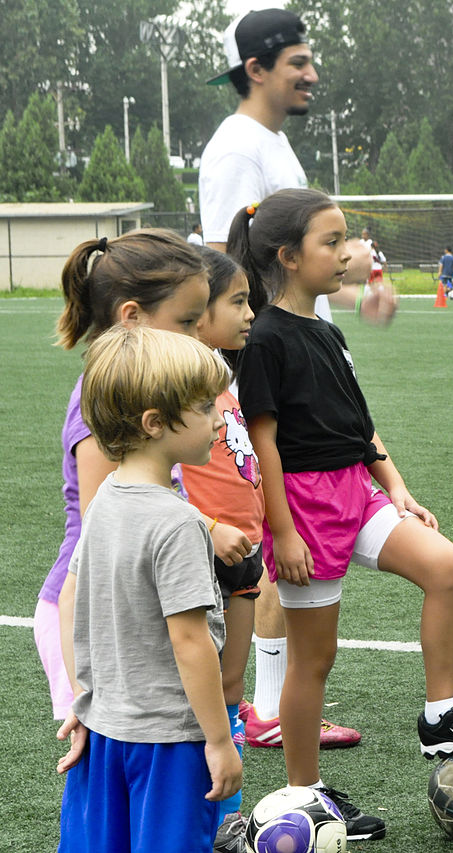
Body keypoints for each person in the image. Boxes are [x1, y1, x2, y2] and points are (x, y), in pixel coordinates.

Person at [230, 188, 453, 841]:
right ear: (287, 255)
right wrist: (280, 530)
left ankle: (441, 714)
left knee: (445, 565)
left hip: (357, 491)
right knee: (317, 659)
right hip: (303, 506)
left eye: (346, 240)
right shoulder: (265, 338)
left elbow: (361, 426)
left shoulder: (328, 331)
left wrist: (397, 486)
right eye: (331, 242)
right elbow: (265, 444)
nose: (348, 253)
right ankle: (304, 794)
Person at [199, 7, 383, 750]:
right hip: (264, 373)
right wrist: (256, 365)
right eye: (299, 62)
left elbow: (287, 269)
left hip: (302, 362)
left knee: (285, 547)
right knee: (273, 538)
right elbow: (223, 268)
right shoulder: (237, 148)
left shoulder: (269, 144)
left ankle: (268, 707)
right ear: (258, 70)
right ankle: (252, 707)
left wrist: (348, 280)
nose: (311, 75)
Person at [56, 325, 241, 852]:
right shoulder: (179, 523)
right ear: (155, 424)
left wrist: (84, 699)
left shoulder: (104, 502)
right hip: (169, 742)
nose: (220, 418)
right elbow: (189, 642)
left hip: (104, 732)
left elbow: (72, 601)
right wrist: (219, 740)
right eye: (206, 407)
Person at [37, 231, 219, 727]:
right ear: (132, 316)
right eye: (186, 322)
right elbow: (111, 518)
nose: (198, 335)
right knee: (101, 762)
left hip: (125, 604)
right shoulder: (101, 410)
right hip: (91, 612)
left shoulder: (142, 395)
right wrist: (209, 529)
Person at [180, 248, 263, 837]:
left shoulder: (224, 373)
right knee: (200, 688)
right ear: (196, 313)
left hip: (246, 551)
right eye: (236, 302)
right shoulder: (182, 376)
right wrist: (211, 528)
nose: (250, 313)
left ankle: (224, 817)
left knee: (233, 681)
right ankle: (195, 805)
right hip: (202, 556)